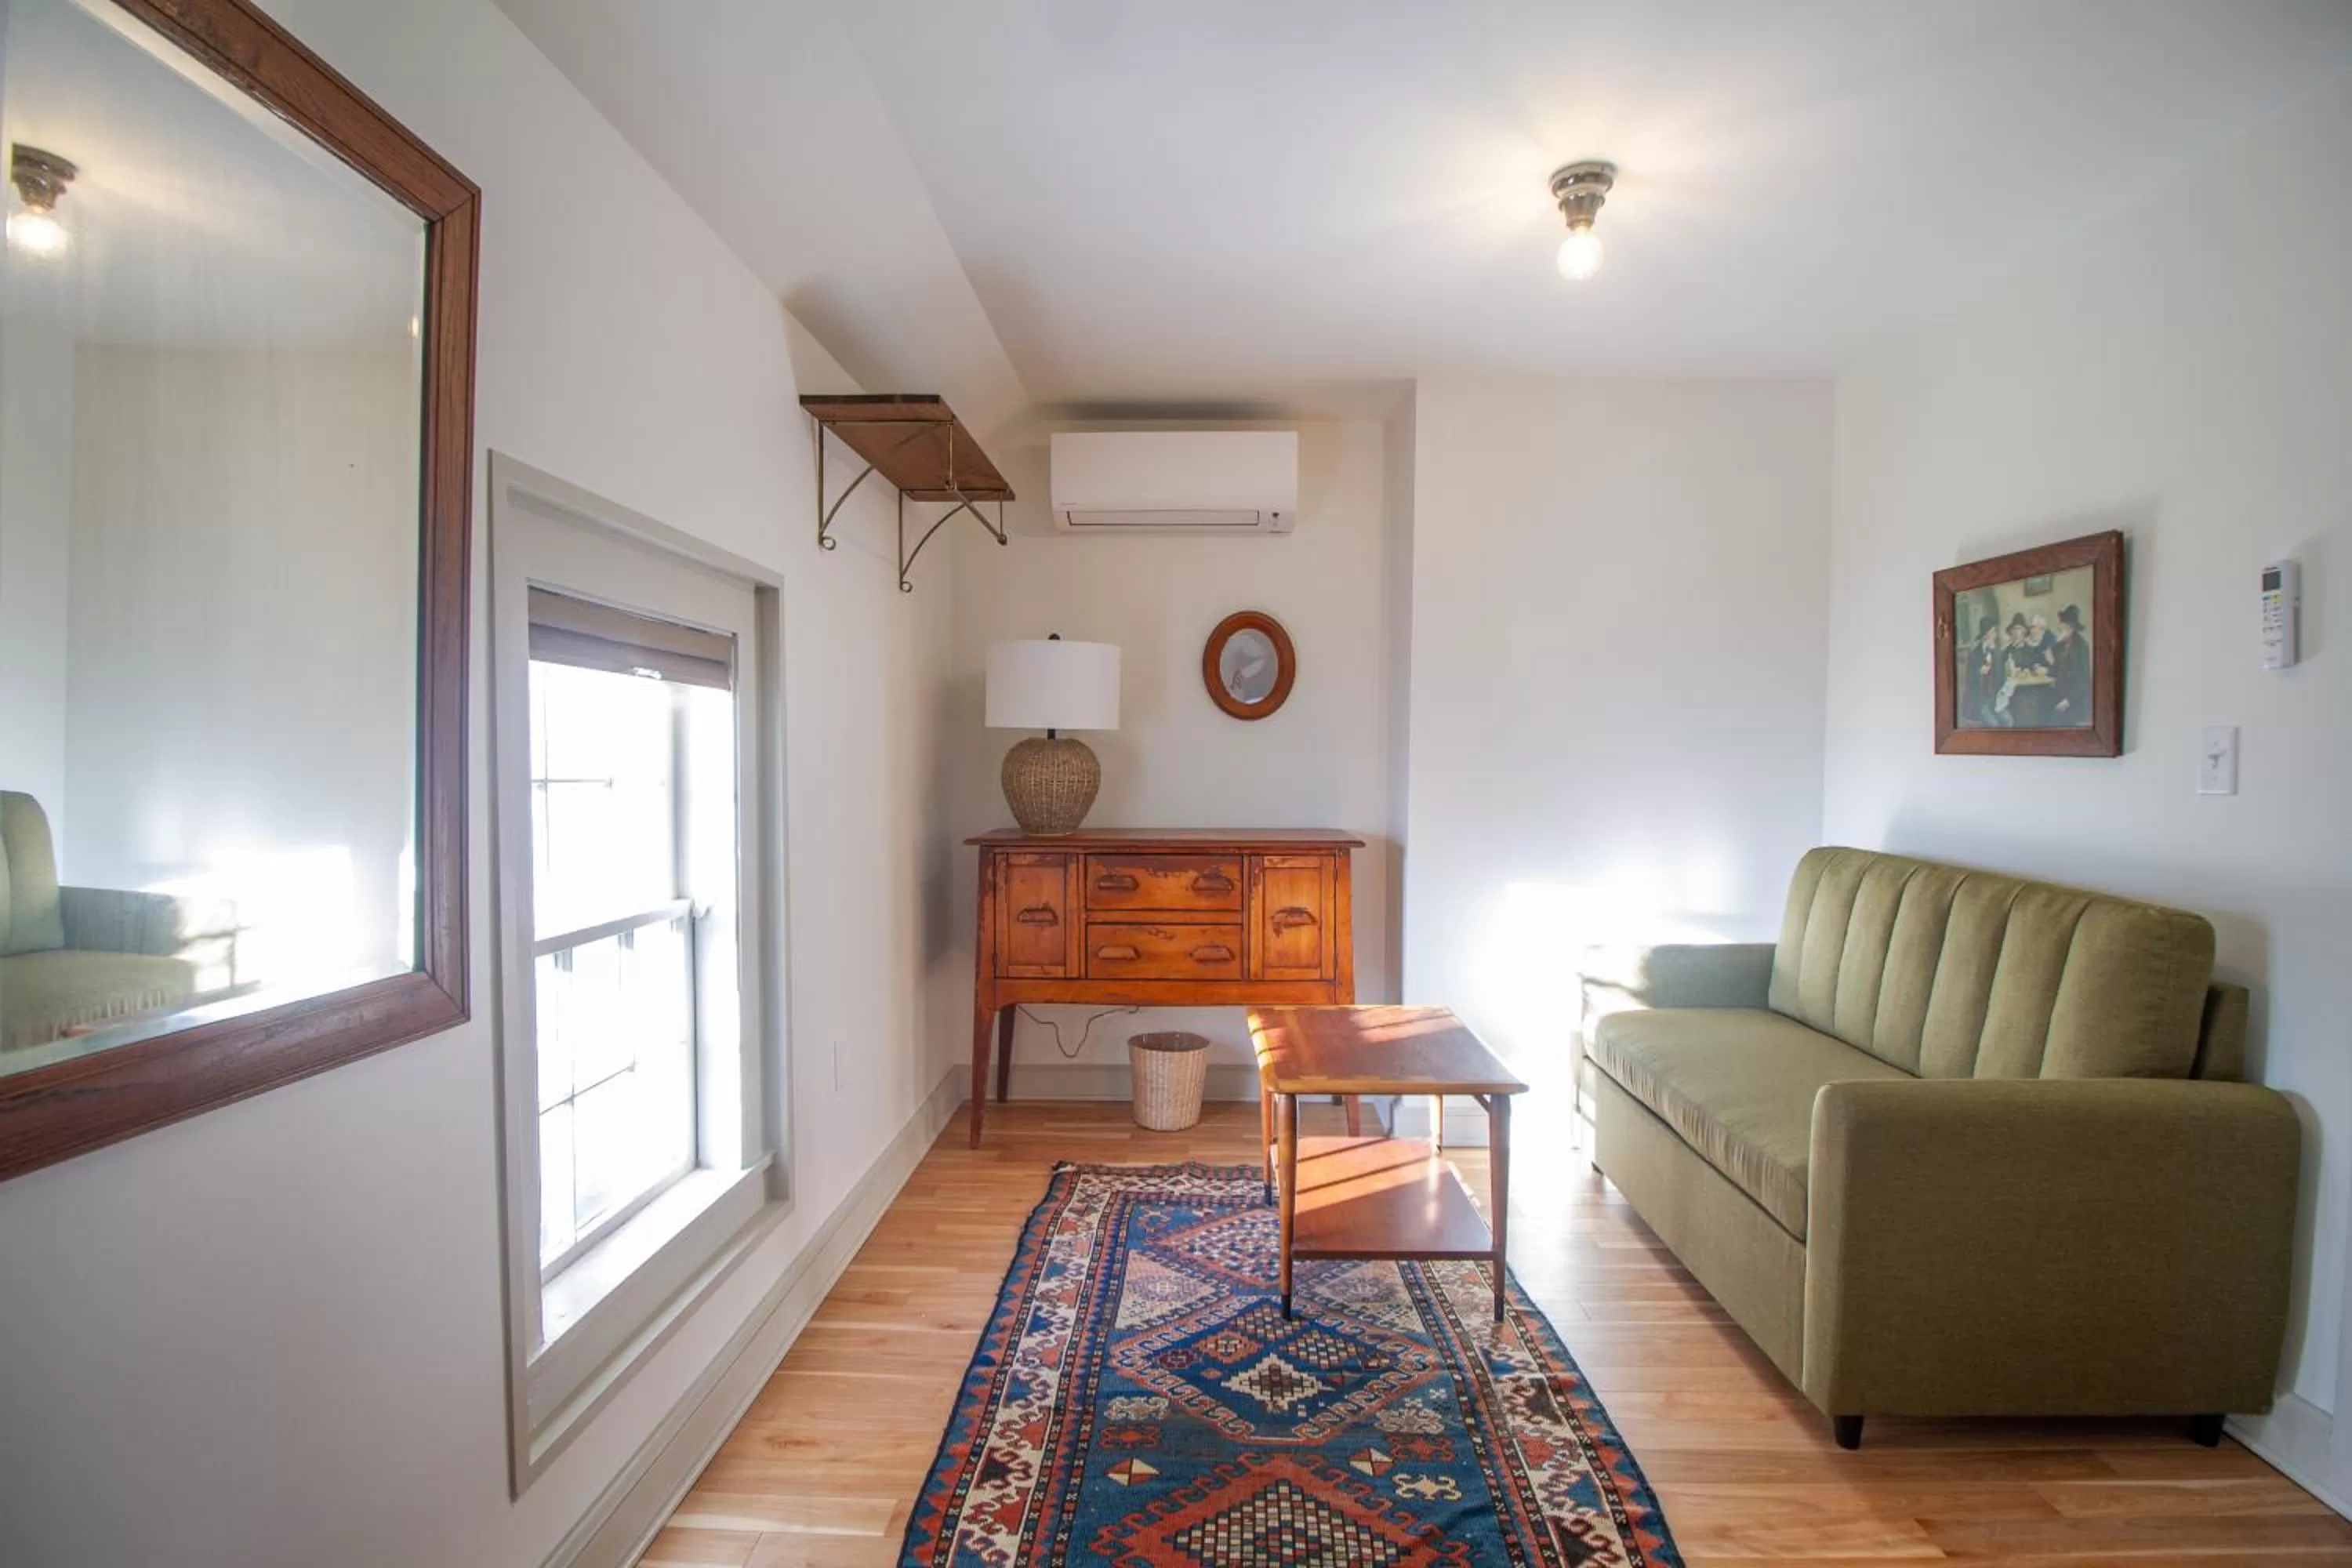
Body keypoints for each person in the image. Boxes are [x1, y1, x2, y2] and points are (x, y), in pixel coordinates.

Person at [2045, 604, 2092, 726]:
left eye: (2061, 629)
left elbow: (2083, 680)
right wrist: (2048, 667)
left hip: (2075, 699)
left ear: (2071, 628)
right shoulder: (2059, 647)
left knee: (2057, 719)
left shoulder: (2081, 647)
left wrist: (2068, 701)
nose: (2059, 631)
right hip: (2060, 694)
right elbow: (2056, 671)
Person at [1962, 619, 2005, 726]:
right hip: (1980, 701)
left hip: (1996, 700)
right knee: (1994, 725)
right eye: (1993, 633)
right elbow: (1969, 680)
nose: (1995, 636)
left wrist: (1995, 654)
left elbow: (2001, 677)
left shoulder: (1997, 653)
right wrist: (1979, 672)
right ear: (1986, 635)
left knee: (2008, 721)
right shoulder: (1975, 654)